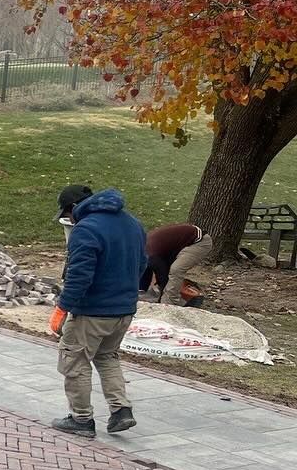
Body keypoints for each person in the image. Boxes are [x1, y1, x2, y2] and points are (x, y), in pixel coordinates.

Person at [49, 186, 147, 436]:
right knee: (107, 356)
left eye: (66, 214)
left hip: (93, 312)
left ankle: (81, 419)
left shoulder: (86, 229)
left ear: (73, 208)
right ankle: (121, 410)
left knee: (75, 361)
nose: (69, 220)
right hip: (124, 310)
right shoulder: (132, 223)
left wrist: (62, 308)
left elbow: (79, 276)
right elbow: (143, 264)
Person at [141, 223, 213, 305]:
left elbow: (163, 275)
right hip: (184, 241)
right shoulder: (144, 249)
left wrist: (162, 295)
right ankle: (172, 294)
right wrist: (141, 291)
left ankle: (169, 303)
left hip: (200, 242)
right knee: (166, 274)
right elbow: (145, 271)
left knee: (176, 270)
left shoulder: (150, 253)